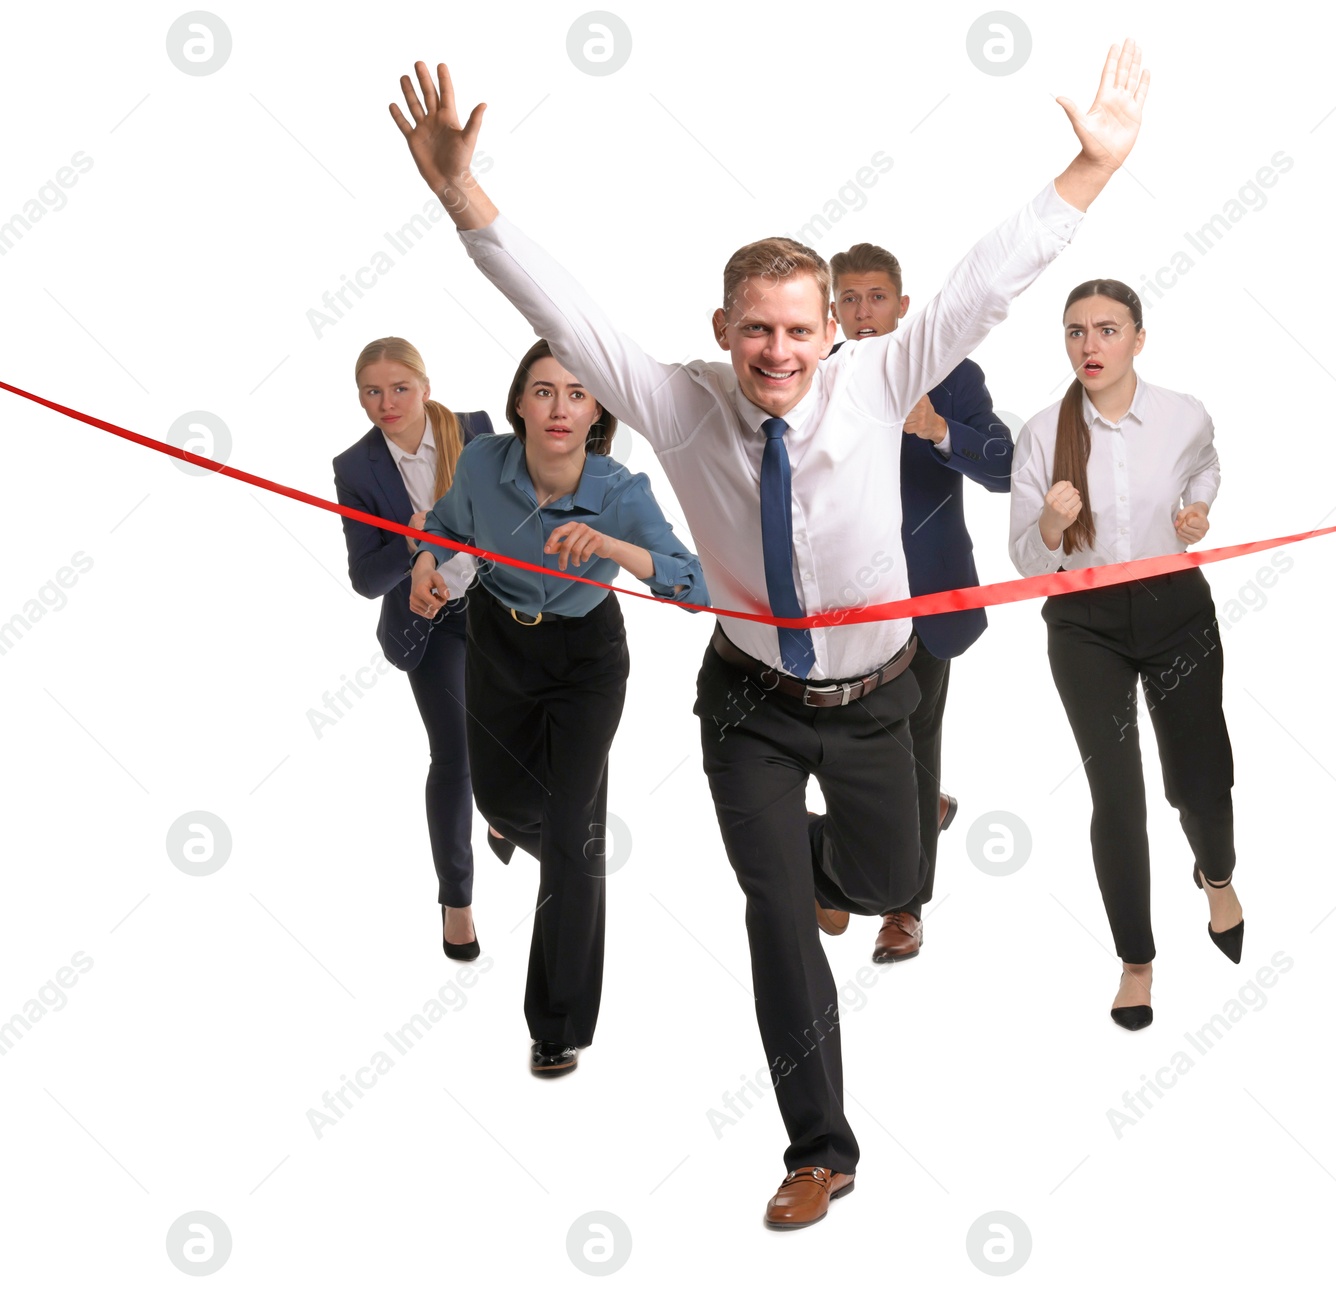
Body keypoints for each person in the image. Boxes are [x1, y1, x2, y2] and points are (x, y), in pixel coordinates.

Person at [388, 40, 1149, 1226]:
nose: (779, 353)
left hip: (876, 697)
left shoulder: (881, 372)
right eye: (756, 331)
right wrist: (460, 196)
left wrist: (1086, 171)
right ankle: (820, 1147)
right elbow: (561, 308)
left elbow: (980, 285)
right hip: (746, 706)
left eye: (799, 331)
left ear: (830, 335)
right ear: (723, 328)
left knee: (894, 877)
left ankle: (831, 855)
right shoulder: (676, 401)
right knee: (778, 918)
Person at [408, 339, 706, 1078]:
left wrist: (614, 545)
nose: (560, 407)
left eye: (577, 393)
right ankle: (557, 848)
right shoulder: (481, 463)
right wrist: (424, 563)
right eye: (544, 391)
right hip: (498, 643)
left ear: (598, 407)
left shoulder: (621, 488)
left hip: (586, 660)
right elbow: (445, 526)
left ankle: (558, 1024)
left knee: (573, 839)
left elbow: (693, 583)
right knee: (500, 800)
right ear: (519, 403)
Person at [1008, 278, 1244, 1033]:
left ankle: (1217, 873)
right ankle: (1136, 960)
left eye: (1107, 330)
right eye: (1076, 331)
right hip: (1085, 626)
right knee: (1117, 795)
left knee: (1199, 779)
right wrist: (1048, 524)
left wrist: (1198, 507)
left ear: (1139, 338)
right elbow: (1023, 561)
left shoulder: (1184, 414)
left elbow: (1206, 463)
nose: (1090, 345)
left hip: (1176, 610)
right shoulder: (1044, 434)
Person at [825, 244, 1015, 963]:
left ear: (903, 306)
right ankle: (917, 807)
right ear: (833, 308)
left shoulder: (950, 374)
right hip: (842, 601)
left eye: (877, 297)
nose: (864, 311)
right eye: (850, 298)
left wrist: (939, 430)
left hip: (926, 598)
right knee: (833, 742)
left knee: (914, 739)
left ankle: (904, 906)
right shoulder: (815, 377)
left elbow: (1004, 468)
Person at [333, 337, 492, 962]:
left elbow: (518, 513)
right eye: (371, 392)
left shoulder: (474, 431)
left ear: (425, 387)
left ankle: (505, 815)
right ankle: (458, 901)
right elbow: (365, 578)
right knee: (455, 755)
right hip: (430, 626)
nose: (386, 403)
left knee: (524, 733)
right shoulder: (355, 468)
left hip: (497, 606)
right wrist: (409, 541)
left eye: (399, 388)